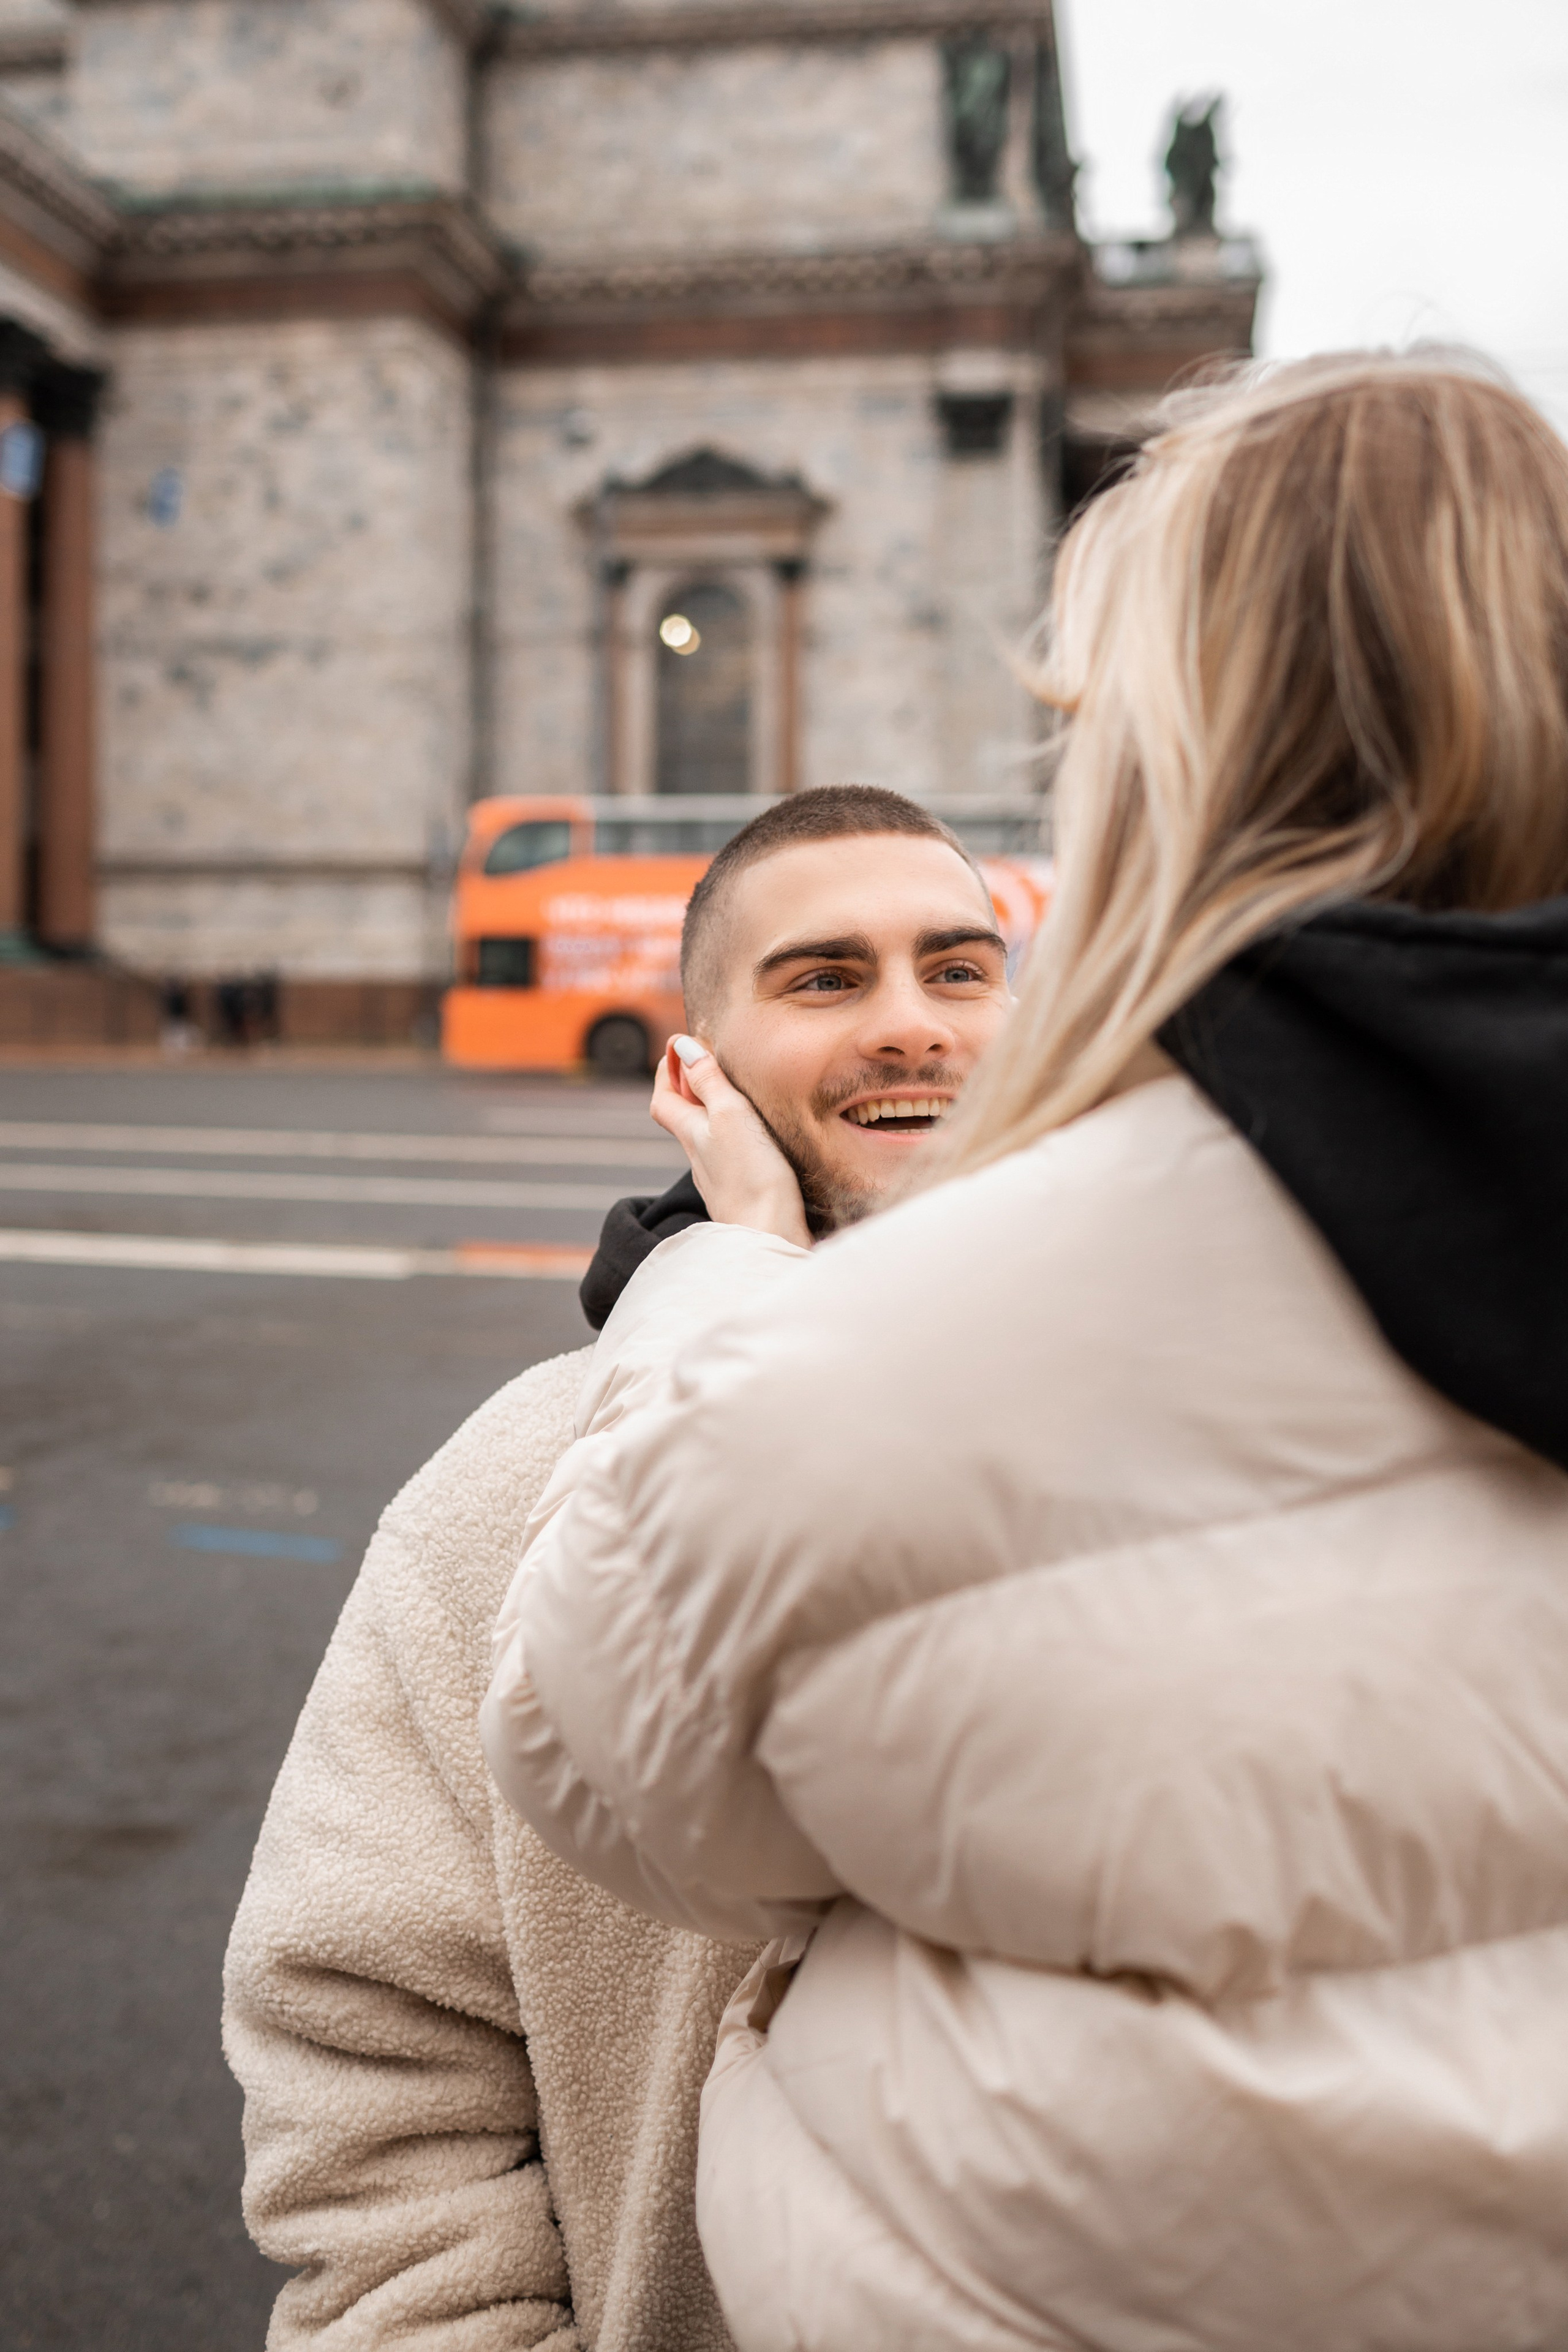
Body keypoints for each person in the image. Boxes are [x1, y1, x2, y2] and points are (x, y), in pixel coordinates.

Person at [482, 356, 1568, 2352]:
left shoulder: (843, 1369)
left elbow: (608, 1780)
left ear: (1168, 753)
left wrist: (727, 1275)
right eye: (830, 976)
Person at [222, 785, 1013, 2350]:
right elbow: (366, 2052)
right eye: (826, 979)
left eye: (960, 970)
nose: (912, 1025)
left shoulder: (1226, 1419)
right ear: (695, 1066)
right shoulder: (509, 1487)